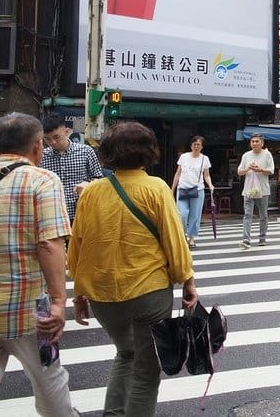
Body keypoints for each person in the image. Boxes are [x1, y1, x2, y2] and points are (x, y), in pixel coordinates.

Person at [67, 121, 196, 417]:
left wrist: (79, 294)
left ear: (108, 154)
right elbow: (174, 241)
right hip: (148, 292)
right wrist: (187, 280)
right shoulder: (156, 188)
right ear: (149, 151)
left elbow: (78, 246)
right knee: (147, 372)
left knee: (125, 355)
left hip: (102, 296)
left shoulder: (92, 192)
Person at [0, 112, 78, 417]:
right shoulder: (43, 180)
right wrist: (58, 301)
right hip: (30, 311)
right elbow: (49, 243)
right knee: (49, 377)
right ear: (38, 147)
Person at [40, 113, 104, 223]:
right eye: (47, 139)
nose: (53, 142)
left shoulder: (86, 151)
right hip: (52, 215)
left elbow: (99, 179)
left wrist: (88, 185)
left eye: (56, 137)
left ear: (66, 131)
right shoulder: (42, 156)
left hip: (81, 213)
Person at [170, 135, 214, 248]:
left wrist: (210, 184)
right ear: (191, 145)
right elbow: (178, 173)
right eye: (194, 144)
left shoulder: (205, 159)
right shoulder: (184, 157)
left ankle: (192, 237)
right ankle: (183, 235)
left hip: (198, 190)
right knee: (182, 215)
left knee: (195, 215)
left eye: (198, 144)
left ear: (202, 146)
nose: (196, 146)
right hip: (183, 188)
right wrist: (172, 188)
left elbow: (207, 175)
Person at [237, 133, 274, 249]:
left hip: (263, 190)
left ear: (262, 143)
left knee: (263, 215)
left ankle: (262, 237)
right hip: (248, 190)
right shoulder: (246, 156)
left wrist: (260, 170)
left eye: (257, 141)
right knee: (247, 214)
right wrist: (248, 168)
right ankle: (246, 239)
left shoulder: (267, 154)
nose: (254, 143)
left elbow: (271, 171)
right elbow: (239, 172)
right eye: (252, 141)